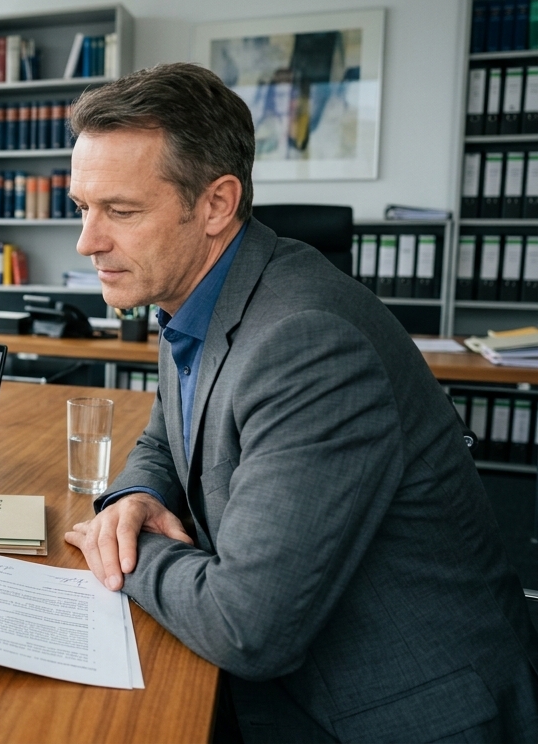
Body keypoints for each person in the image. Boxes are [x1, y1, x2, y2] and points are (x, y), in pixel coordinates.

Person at [62, 63, 538, 742]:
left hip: (395, 709)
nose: (88, 242)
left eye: (122, 211)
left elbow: (246, 627)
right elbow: (169, 435)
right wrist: (134, 497)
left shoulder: (306, 342)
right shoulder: (189, 291)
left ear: (217, 204)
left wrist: (124, 550)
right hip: (300, 679)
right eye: (84, 207)